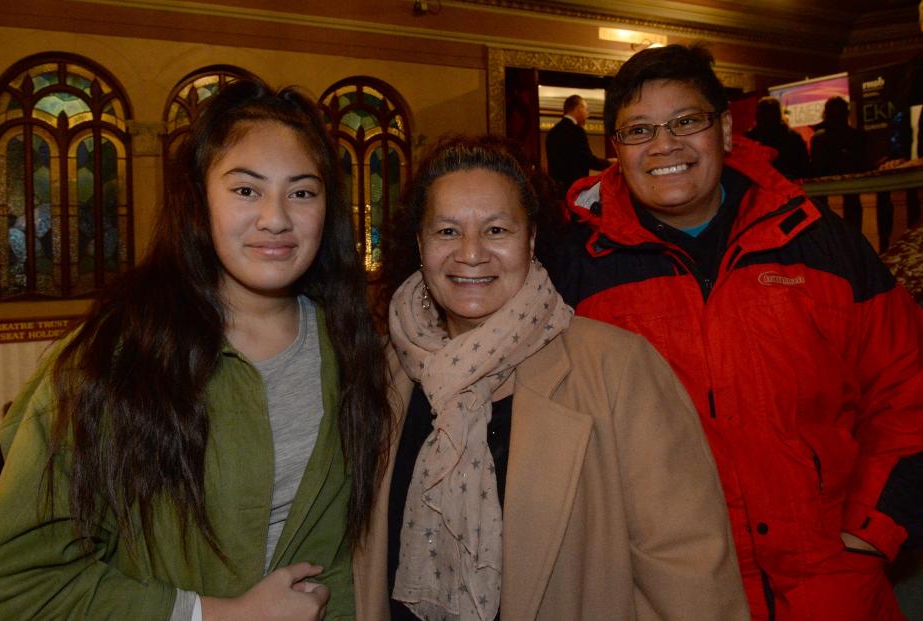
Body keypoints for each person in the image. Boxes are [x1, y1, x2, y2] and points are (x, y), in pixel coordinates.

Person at [0, 80, 391, 621]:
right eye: (246, 190)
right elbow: (11, 581)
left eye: (302, 192)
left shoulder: (356, 350)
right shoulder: (117, 356)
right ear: (198, 199)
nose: (276, 218)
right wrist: (215, 614)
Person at [558, 43, 923, 621]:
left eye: (686, 121)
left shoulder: (824, 245)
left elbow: (909, 388)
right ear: (616, 150)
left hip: (831, 586)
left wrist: (873, 529)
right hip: (666, 595)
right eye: (640, 130)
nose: (664, 145)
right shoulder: (576, 270)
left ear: (724, 130)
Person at [355, 136, 750, 621]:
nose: (471, 254)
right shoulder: (385, 372)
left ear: (532, 240)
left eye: (497, 230)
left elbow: (690, 572)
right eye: (447, 232)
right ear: (420, 243)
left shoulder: (617, 368)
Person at [810, 96, 870, 232]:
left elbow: (818, 168)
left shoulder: (819, 139)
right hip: (855, 195)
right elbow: (864, 164)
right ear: (846, 114)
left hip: (827, 196)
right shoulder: (858, 137)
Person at [545, 94, 610, 196]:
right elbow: (587, 160)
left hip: (556, 191)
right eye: (586, 109)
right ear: (579, 108)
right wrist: (610, 163)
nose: (588, 114)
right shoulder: (576, 131)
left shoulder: (552, 132)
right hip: (574, 190)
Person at [744, 96, 810, 180]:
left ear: (758, 114)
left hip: (760, 186)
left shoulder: (750, 138)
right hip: (789, 184)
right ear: (779, 113)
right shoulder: (793, 137)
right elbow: (804, 166)